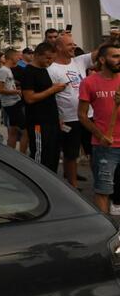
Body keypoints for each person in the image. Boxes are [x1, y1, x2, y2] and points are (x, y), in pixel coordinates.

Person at [78, 43, 120, 214]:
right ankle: (107, 234)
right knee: (103, 190)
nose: (119, 60)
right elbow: (81, 115)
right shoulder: (89, 82)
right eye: (115, 56)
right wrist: (100, 135)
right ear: (102, 60)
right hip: (105, 147)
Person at [48, 32, 91, 188]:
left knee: (93, 150)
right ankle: (72, 185)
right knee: (71, 153)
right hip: (68, 118)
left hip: (88, 116)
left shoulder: (79, 61)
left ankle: (100, 180)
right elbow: (50, 97)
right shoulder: (51, 69)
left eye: (73, 44)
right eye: (69, 44)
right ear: (58, 47)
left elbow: (100, 54)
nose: (74, 46)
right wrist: (57, 118)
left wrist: (113, 39)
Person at [21, 42, 69, 174]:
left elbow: (46, 93)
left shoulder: (44, 70)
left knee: (53, 154)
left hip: (51, 120)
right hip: (38, 121)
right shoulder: (29, 72)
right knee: (40, 155)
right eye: (47, 58)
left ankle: (50, 182)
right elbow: (29, 98)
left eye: (52, 59)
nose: (50, 62)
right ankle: (37, 183)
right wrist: (52, 89)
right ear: (37, 55)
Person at [0, 48, 26, 153]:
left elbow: (8, 86)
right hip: (12, 104)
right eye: (18, 56)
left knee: (13, 130)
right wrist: (16, 92)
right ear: (12, 57)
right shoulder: (3, 70)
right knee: (26, 131)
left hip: (14, 102)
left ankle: (10, 154)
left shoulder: (8, 70)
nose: (19, 58)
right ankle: (23, 155)